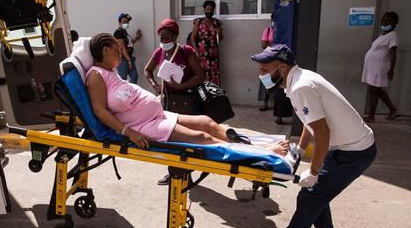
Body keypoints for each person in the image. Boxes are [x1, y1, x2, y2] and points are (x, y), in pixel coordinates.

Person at [248, 44, 376, 228]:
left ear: (281, 67)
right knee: (315, 194)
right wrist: (299, 148)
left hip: (354, 151)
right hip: (347, 147)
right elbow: (311, 122)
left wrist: (314, 170)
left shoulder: (301, 87)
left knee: (310, 196)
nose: (261, 75)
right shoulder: (297, 80)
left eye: (265, 69)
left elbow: (322, 131)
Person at [85, 33, 289, 156]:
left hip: (157, 115)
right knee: (202, 137)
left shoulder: (110, 71)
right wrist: (130, 133)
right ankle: (262, 153)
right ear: (105, 50)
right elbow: (100, 111)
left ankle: (249, 144)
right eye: (117, 49)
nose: (121, 52)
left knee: (207, 121)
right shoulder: (96, 75)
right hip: (144, 126)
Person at [145, 18, 206, 185]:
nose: (164, 42)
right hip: (168, 101)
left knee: (185, 138)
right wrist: (155, 86)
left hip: (186, 99)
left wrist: (181, 86)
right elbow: (147, 70)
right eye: (161, 38)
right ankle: (174, 172)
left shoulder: (186, 51)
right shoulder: (159, 52)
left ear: (175, 35)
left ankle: (186, 172)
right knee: (170, 138)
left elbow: (200, 75)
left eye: (167, 38)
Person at [362, 12, 401, 122]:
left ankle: (371, 116)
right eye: (383, 19)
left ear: (395, 23)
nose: (384, 22)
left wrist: (392, 69)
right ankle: (393, 110)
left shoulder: (393, 35)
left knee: (374, 90)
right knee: (376, 90)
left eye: (388, 20)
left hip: (380, 68)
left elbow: (393, 52)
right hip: (373, 67)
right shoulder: (382, 35)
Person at [191, 0, 223, 86]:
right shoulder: (198, 22)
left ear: (213, 10)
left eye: (211, 9)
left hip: (213, 54)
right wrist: (196, 51)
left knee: (214, 75)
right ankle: (203, 96)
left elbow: (221, 39)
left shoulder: (216, 23)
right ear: (204, 10)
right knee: (202, 74)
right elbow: (193, 38)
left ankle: (214, 95)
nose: (209, 11)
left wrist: (219, 32)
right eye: (207, 9)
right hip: (202, 54)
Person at [113, 12, 142, 84]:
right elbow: (122, 47)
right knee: (123, 79)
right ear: (119, 22)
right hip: (123, 59)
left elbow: (129, 43)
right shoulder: (118, 32)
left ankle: (131, 93)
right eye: (124, 22)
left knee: (134, 77)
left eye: (127, 22)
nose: (126, 23)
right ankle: (124, 94)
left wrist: (137, 37)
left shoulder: (125, 32)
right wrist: (129, 60)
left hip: (129, 58)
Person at [259, 14, 276, 111]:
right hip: (268, 58)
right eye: (273, 19)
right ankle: (265, 103)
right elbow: (264, 45)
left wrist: (271, 44)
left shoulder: (282, 30)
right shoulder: (268, 30)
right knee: (265, 80)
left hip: (278, 59)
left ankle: (277, 106)